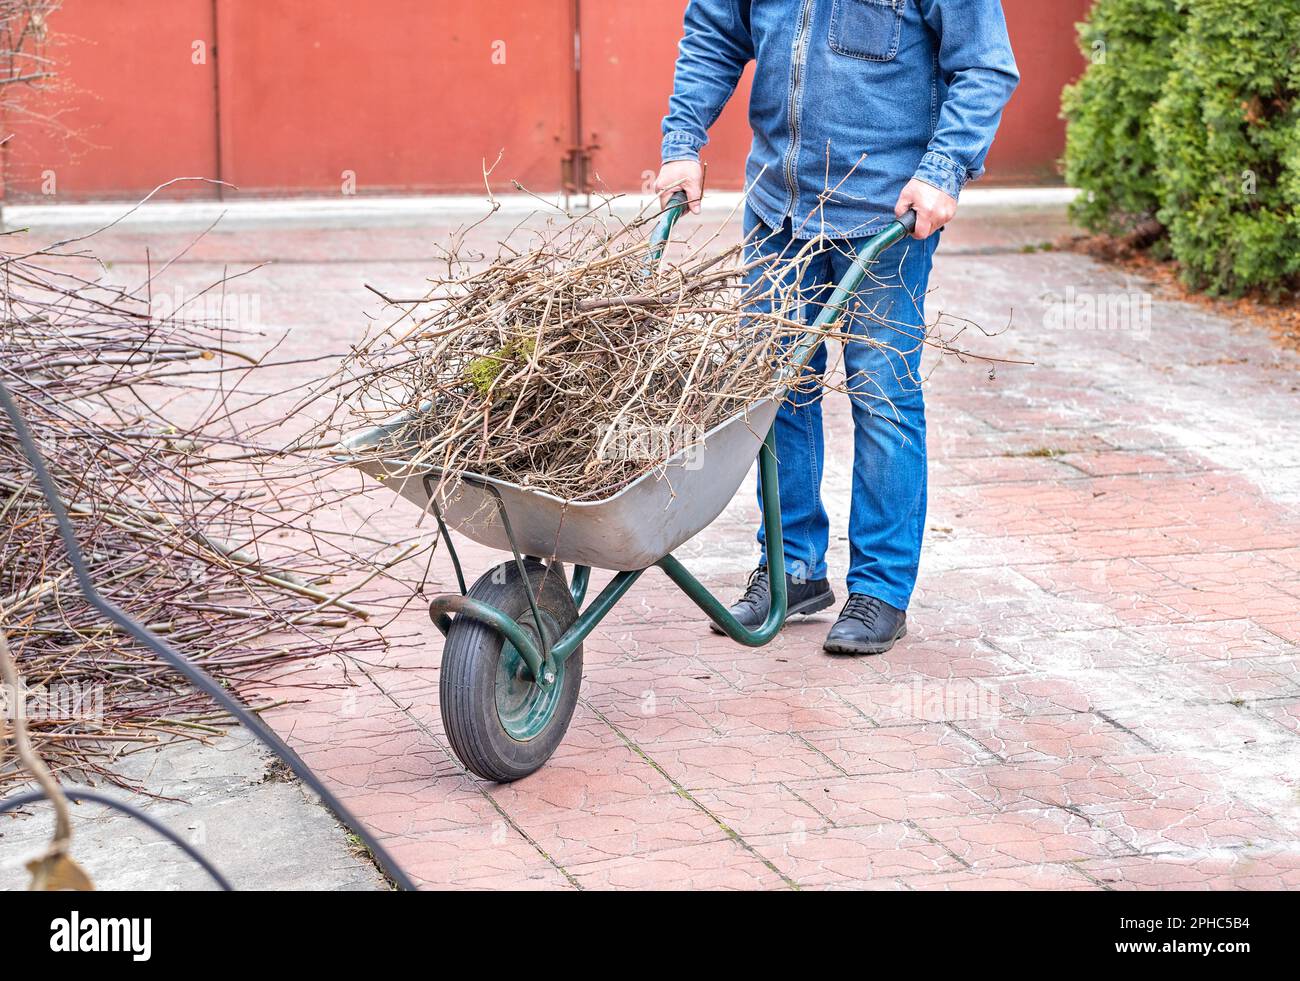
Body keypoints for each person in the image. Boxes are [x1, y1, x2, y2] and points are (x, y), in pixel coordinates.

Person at [655, 0, 1018, 654]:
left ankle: (881, 586)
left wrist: (943, 170)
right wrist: (684, 141)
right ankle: (793, 567)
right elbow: (714, 30)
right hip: (778, 207)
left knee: (882, 395)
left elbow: (985, 66)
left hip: (884, 215)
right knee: (776, 388)